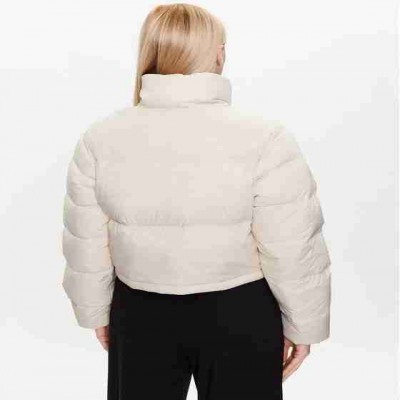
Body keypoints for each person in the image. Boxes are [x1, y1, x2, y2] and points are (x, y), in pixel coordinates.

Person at [61, 3, 332, 399]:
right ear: (218, 53)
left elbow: (86, 242)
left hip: (139, 312)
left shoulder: (100, 138)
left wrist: (96, 311)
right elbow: (292, 244)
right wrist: (304, 325)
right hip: (240, 312)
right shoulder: (265, 137)